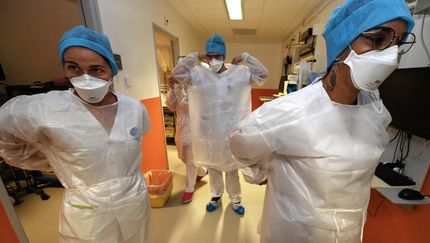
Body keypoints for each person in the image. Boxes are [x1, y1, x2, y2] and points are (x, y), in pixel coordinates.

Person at [229, 0, 415, 242]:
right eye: (379, 39)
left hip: (349, 233)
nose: (390, 56)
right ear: (342, 42)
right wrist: (265, 171)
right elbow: (241, 144)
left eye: (397, 42)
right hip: (292, 234)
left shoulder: (375, 109)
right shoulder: (290, 111)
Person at [0, 25, 152, 242]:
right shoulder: (46, 108)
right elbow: (5, 138)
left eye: (96, 69)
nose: (85, 78)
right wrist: (49, 162)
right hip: (86, 211)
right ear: (65, 68)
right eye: (74, 68)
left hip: (132, 202)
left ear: (111, 70)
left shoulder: (134, 108)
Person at [173, 34, 268, 215]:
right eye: (210, 56)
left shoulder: (238, 73)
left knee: (232, 168)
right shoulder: (199, 74)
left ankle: (235, 199)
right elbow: (177, 73)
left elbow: (262, 74)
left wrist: (245, 58)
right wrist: (195, 56)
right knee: (214, 166)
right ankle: (216, 197)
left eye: (218, 56)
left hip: (231, 133)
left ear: (224, 56)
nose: (214, 60)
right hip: (209, 133)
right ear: (206, 57)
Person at [165, 73, 207, 204]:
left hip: (195, 129)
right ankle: (203, 170)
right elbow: (171, 106)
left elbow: (188, 105)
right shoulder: (176, 88)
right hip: (181, 129)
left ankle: (189, 189)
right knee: (183, 156)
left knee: (191, 160)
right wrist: (172, 88)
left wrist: (179, 89)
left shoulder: (195, 88)